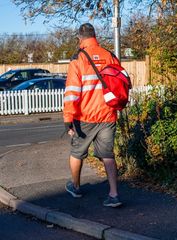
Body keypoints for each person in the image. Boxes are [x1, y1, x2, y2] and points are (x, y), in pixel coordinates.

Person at [63, 23, 122, 207]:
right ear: (95, 36)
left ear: (80, 38)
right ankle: (114, 194)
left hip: (85, 117)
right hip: (107, 115)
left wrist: (68, 119)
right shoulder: (110, 56)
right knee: (107, 155)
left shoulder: (78, 60)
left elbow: (72, 92)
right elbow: (121, 82)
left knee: (77, 153)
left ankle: (76, 187)